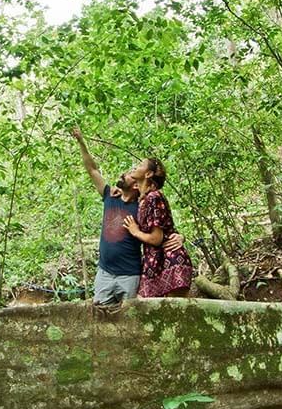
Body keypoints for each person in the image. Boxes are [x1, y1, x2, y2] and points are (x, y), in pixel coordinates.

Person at [72, 129, 183, 305]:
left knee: (129, 319)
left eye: (129, 175)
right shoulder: (109, 195)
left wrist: (179, 236)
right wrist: (81, 143)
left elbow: (161, 226)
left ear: (137, 186)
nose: (123, 175)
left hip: (130, 275)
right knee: (101, 315)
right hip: (104, 273)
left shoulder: (142, 206)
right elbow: (92, 169)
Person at [123, 157, 194, 298]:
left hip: (169, 261)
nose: (136, 166)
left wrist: (135, 231)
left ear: (148, 174)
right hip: (153, 264)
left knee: (177, 313)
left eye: (140, 164)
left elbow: (157, 238)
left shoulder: (154, 197)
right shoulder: (143, 198)